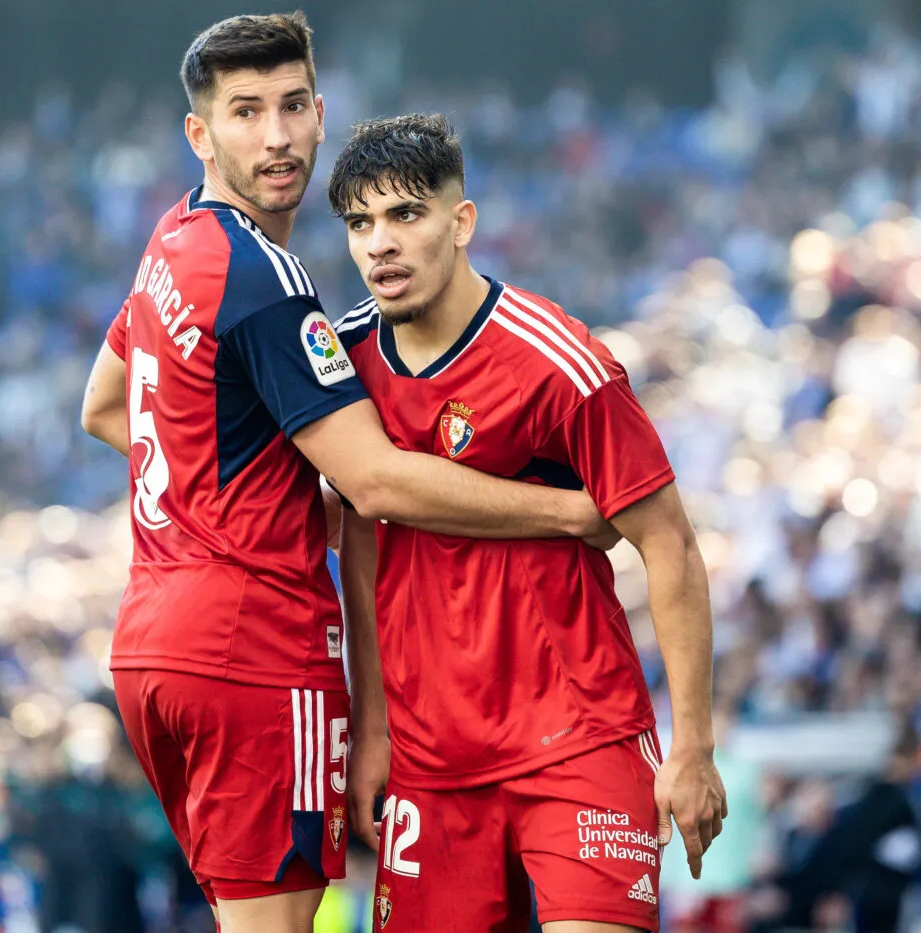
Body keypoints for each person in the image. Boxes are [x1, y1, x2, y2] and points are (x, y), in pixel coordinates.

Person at [77, 15, 615, 933]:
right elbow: (375, 483)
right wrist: (568, 512)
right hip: (253, 649)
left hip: (152, 646)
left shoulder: (171, 240)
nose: (277, 135)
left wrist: (248, 490)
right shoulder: (266, 279)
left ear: (322, 115)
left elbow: (103, 407)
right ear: (200, 134)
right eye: (245, 113)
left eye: (291, 106)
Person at [327, 114, 727, 933]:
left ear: (461, 221)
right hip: (431, 764)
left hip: (578, 738)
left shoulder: (558, 361)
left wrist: (693, 745)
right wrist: (372, 728)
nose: (380, 245)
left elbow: (669, 543)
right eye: (361, 224)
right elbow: (359, 550)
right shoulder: (342, 364)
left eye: (406, 215)